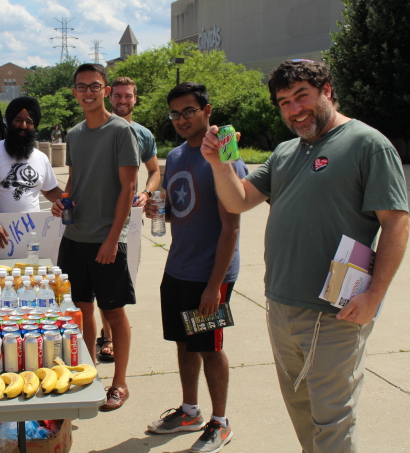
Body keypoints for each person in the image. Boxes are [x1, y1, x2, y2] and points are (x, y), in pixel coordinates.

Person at [200, 60, 409, 453]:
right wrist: (218, 163)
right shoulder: (285, 152)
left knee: (332, 417)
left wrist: (375, 295)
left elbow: (397, 222)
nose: (294, 110)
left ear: (327, 91)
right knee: (301, 408)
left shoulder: (367, 144)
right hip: (281, 304)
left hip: (336, 311)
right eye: (284, 102)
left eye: (302, 97)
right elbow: (239, 199)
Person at [144, 83, 246, 453]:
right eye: (175, 114)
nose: (181, 119)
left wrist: (213, 287)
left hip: (209, 273)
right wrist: (160, 211)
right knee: (184, 343)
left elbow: (231, 226)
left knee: (208, 348)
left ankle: (220, 422)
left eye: (189, 111)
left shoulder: (225, 154)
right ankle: (189, 411)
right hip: (178, 268)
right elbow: (181, 209)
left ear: (207, 110)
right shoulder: (175, 156)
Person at [51, 64, 139, 411]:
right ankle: (87, 373)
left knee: (113, 313)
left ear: (105, 90)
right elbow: (75, 179)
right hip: (74, 238)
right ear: (74, 92)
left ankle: (119, 383)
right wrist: (64, 202)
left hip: (106, 239)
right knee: (81, 310)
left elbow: (129, 188)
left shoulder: (120, 132)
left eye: (95, 86)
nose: (88, 92)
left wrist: (111, 239)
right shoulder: (74, 134)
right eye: (81, 87)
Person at [96, 76, 162, 362]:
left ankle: (112, 326)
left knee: (123, 277)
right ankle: (108, 334)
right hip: (99, 217)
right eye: (118, 96)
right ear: (110, 97)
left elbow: (155, 171)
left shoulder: (143, 135)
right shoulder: (97, 128)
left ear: (135, 99)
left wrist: (147, 193)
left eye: (128, 96)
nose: (123, 101)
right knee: (101, 275)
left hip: (130, 220)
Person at [0, 96, 63, 259]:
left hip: (33, 240)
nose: (23, 126)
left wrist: (68, 201)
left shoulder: (41, 157)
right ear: (9, 122)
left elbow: (50, 191)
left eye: (29, 122)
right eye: (18, 120)